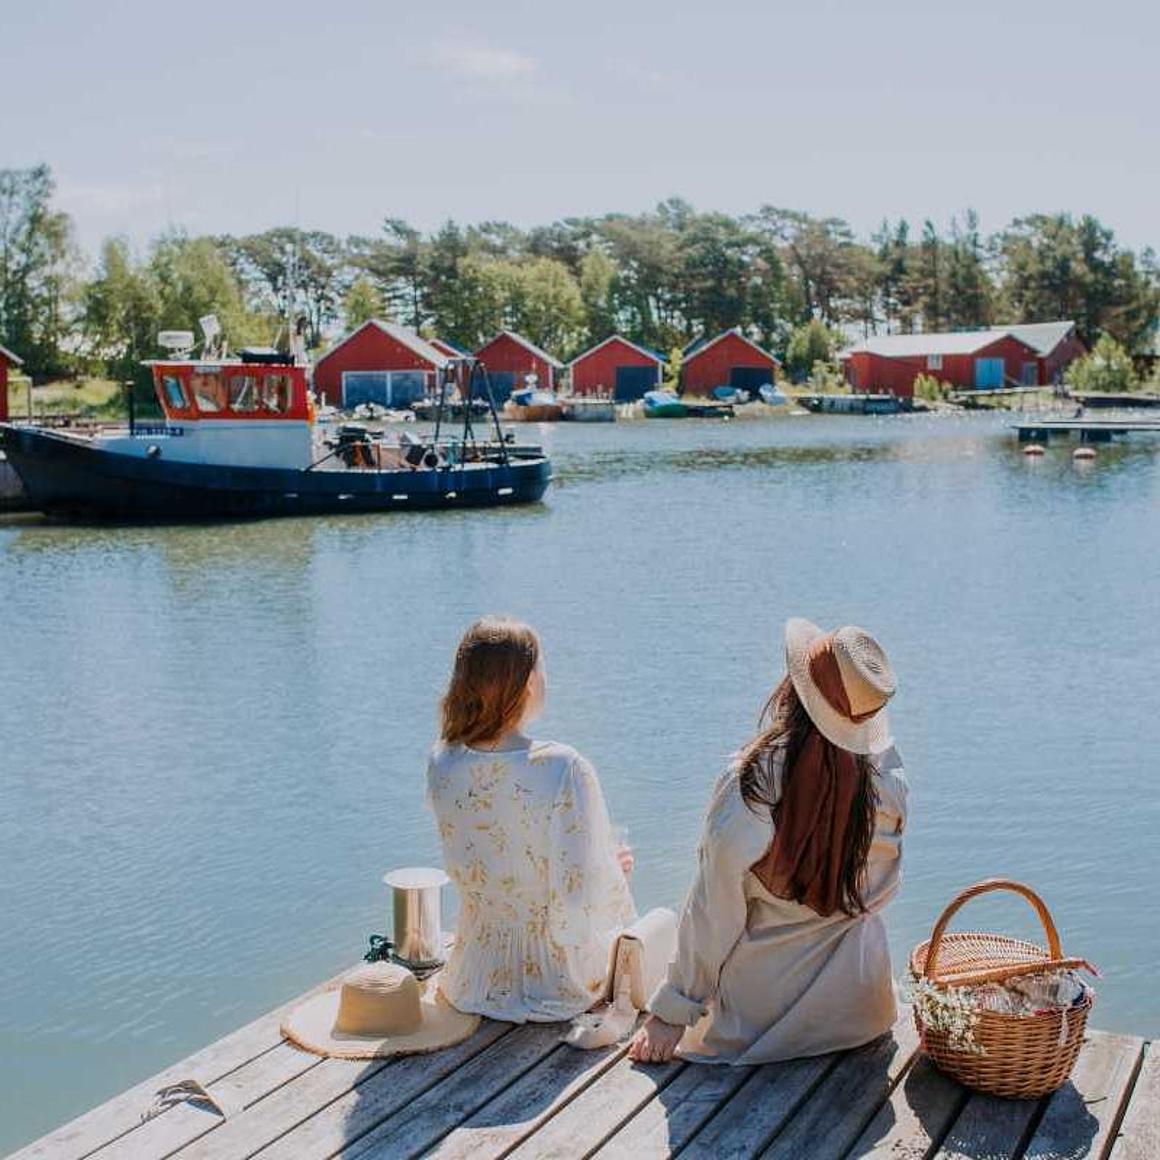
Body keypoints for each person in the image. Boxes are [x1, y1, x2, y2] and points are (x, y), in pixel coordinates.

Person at [629, 618, 907, 1064]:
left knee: (653, 933)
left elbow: (713, 910)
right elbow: (883, 890)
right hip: (861, 1010)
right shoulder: (888, 780)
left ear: (793, 690)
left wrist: (674, 1009)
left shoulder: (753, 783)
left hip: (761, 1023)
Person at [428, 616, 636, 1022]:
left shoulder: (441, 760)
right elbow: (581, 900)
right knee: (654, 933)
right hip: (555, 979)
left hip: (472, 976)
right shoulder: (563, 767)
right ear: (527, 683)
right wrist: (614, 870)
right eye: (540, 667)